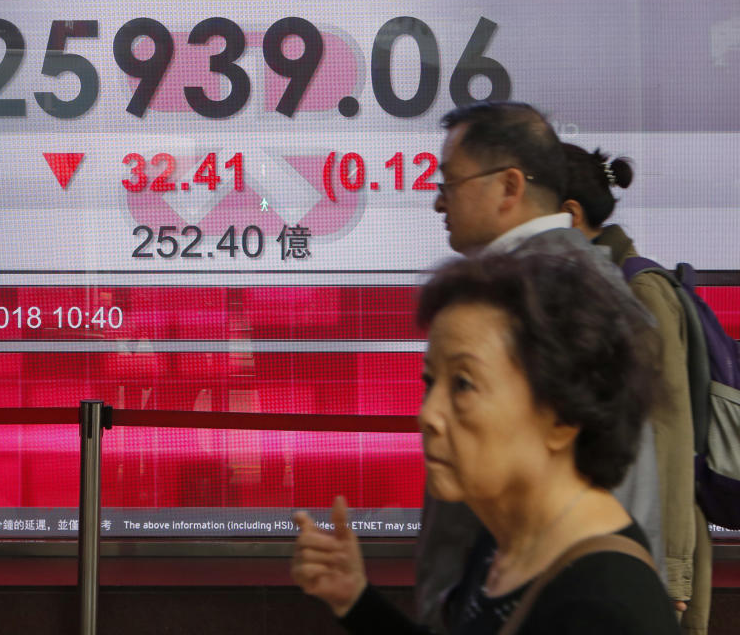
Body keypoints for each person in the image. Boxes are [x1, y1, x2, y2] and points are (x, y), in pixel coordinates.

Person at [291, 253, 680, 634]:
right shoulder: (504, 541)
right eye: (430, 382)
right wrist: (356, 600)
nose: (428, 414)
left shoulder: (605, 609)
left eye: (463, 384)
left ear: (563, 416)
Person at [413, 101, 665, 631]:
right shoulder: (569, 285)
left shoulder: (553, 297)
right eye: (431, 383)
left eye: (450, 183)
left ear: (509, 186)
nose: (438, 202)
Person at [561, 143, 711, 634]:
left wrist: (673, 574)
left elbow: (669, 438)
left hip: (647, 555)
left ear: (569, 215)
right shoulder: (580, 290)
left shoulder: (638, 292)